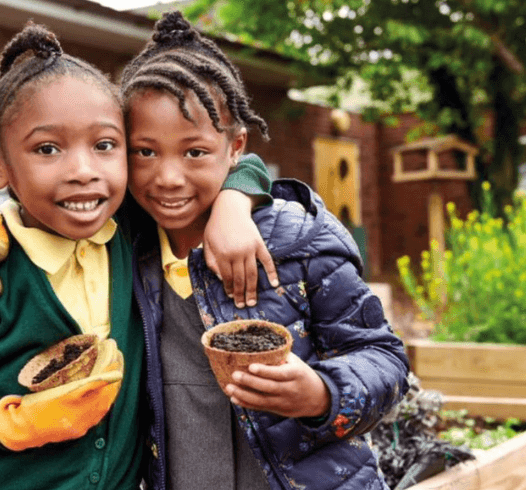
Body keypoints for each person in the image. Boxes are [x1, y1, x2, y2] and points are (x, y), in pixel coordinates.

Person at [0, 22, 276, 490]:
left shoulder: (130, 230)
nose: (83, 171)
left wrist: (235, 203)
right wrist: (11, 422)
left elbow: (238, 159)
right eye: (48, 149)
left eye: (105, 145)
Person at [121, 12, 409, 490]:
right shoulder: (124, 247)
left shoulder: (299, 240)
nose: (167, 177)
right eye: (144, 152)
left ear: (235, 147)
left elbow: (383, 356)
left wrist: (322, 394)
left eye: (194, 152)